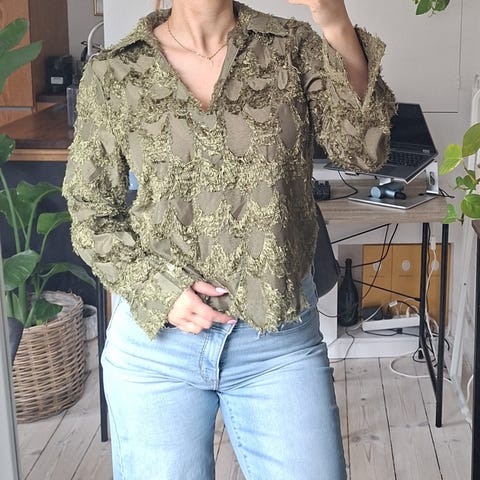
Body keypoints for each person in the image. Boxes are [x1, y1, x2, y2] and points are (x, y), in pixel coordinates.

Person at [63, 0, 395, 478]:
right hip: (157, 348)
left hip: (278, 343)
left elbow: (364, 152)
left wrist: (333, 18)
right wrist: (158, 290)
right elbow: (90, 211)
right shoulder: (114, 71)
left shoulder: (291, 48)